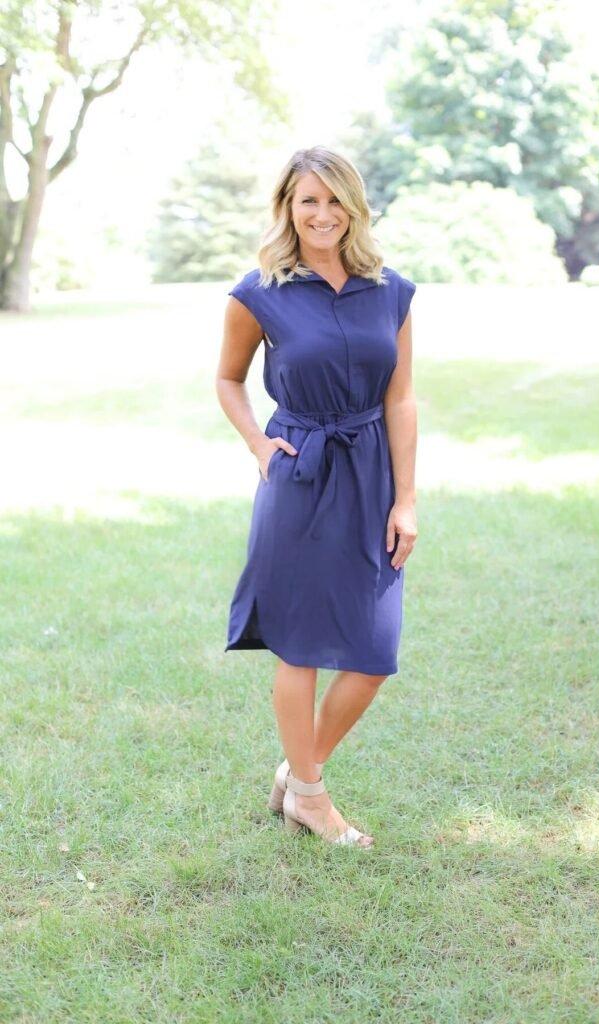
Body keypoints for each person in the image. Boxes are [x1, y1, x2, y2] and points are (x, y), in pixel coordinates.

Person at [216, 146, 417, 848]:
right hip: (297, 474)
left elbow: (401, 398)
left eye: (335, 200)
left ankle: (298, 774)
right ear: (287, 208)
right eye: (308, 200)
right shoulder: (258, 292)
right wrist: (257, 443)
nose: (322, 214)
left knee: (373, 652)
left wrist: (406, 498)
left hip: (370, 478)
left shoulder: (390, 290)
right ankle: (310, 795)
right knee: (297, 646)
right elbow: (228, 380)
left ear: (354, 207)